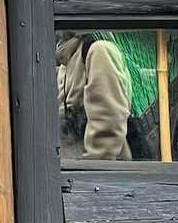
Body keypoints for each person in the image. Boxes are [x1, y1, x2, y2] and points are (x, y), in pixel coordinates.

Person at [56, 31, 133, 160]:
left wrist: (91, 166)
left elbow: (108, 120)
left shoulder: (98, 50)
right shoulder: (66, 62)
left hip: (94, 168)